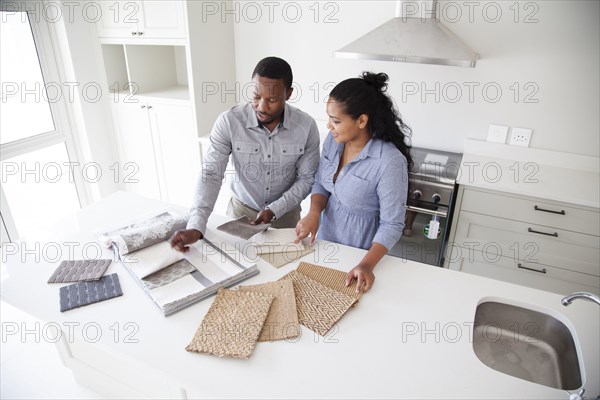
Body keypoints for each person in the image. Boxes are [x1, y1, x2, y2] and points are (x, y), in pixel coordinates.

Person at [171, 57, 320, 252]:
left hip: (286, 218)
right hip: (240, 214)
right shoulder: (229, 121)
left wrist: (274, 210)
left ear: (289, 94)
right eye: (256, 96)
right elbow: (211, 174)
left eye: (272, 100)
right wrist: (195, 225)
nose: (262, 106)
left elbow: (307, 179)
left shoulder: (306, 126)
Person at [295, 72, 413, 293]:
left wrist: (366, 265)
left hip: (361, 257)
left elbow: (392, 224)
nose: (329, 126)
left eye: (336, 121)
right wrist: (313, 213)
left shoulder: (388, 161)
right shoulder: (334, 140)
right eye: (329, 118)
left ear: (362, 120)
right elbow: (321, 183)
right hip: (325, 244)